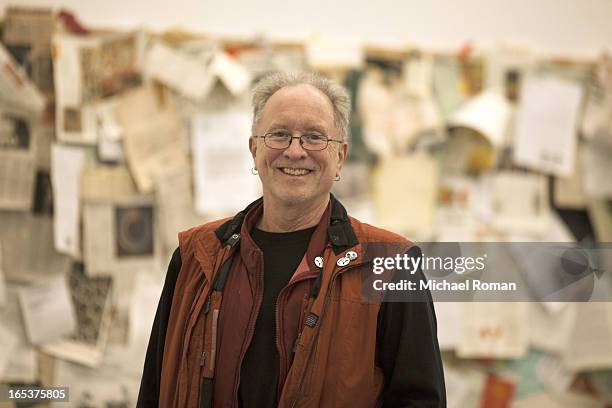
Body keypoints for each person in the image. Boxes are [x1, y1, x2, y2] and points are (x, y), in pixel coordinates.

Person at [137, 72, 446, 407]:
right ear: (255, 150)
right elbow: (154, 388)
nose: (295, 151)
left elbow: (420, 400)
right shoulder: (196, 257)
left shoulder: (390, 264)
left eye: (314, 137)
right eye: (280, 134)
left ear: (340, 156)